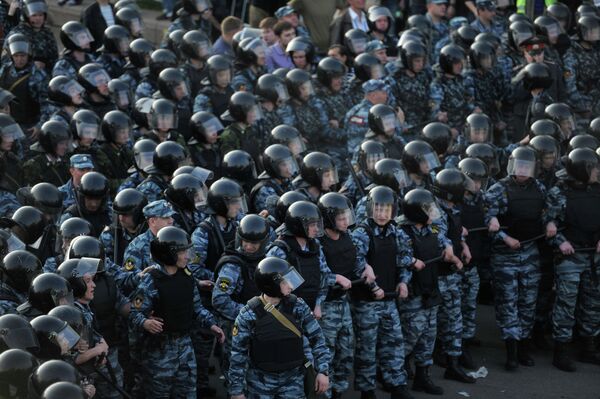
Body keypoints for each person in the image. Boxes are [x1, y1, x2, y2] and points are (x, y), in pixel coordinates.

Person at [130, 226, 225, 398]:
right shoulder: (151, 281)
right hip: (160, 350)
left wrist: (211, 325)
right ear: (168, 254)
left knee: (188, 392)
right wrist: (145, 322)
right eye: (182, 252)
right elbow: (133, 313)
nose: (187, 256)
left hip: (185, 347)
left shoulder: (187, 277)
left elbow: (197, 309)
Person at [228, 256, 330, 399]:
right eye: (286, 282)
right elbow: (238, 355)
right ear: (271, 285)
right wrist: (236, 391)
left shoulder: (298, 307)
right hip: (260, 383)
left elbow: (318, 339)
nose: (291, 286)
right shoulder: (249, 314)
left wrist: (322, 371)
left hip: (293, 382)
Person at [485, 146, 548, 370]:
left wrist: (550, 223)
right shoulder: (498, 190)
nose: (522, 170)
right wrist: (504, 236)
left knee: (528, 303)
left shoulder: (539, 188)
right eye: (518, 166)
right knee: (507, 303)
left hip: (530, 252)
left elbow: (548, 212)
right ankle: (511, 352)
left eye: (526, 166)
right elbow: (486, 220)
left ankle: (524, 347)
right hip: (505, 256)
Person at [350, 185, 414, 399]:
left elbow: (404, 260)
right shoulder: (361, 233)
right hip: (366, 303)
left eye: (386, 209)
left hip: (389, 300)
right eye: (377, 209)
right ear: (370, 209)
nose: (381, 214)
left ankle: (397, 385)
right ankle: (367, 391)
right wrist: (373, 287)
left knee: (395, 344)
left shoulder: (397, 232)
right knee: (367, 348)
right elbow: (356, 263)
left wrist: (404, 282)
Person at [544, 147, 600, 371]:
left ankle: (589, 348)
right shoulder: (559, 192)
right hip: (571, 256)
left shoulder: (598, 190)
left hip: (594, 256)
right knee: (566, 304)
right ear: (581, 170)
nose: (597, 171)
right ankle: (561, 351)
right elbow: (549, 225)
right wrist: (561, 242)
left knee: (593, 304)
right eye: (594, 168)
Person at [397, 188, 446, 395]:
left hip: (430, 289)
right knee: (410, 336)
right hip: (413, 293)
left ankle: (422, 377)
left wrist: (450, 248)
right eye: (428, 209)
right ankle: (395, 379)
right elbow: (396, 257)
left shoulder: (431, 228)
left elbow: (443, 240)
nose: (432, 212)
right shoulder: (401, 231)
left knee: (428, 336)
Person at [212, 214, 270, 383]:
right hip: (235, 327)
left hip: (259, 326)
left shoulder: (264, 260)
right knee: (237, 378)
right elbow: (219, 300)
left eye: (254, 243)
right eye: (245, 241)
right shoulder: (233, 265)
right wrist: (249, 314)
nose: (249, 247)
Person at [316, 193, 357, 399]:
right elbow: (315, 274)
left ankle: (339, 391)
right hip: (326, 305)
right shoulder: (318, 243)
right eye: (341, 218)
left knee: (346, 351)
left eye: (347, 216)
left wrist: (365, 267)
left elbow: (356, 258)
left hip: (343, 303)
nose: (346, 221)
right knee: (327, 354)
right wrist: (336, 278)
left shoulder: (347, 236)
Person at [119, 199, 175, 293]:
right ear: (152, 221)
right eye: (166, 217)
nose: (171, 220)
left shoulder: (175, 239)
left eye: (171, 216)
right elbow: (128, 279)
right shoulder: (137, 247)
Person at [0, 250, 41, 316]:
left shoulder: (20, 290)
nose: (37, 279)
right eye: (33, 275)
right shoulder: (4, 304)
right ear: (19, 277)